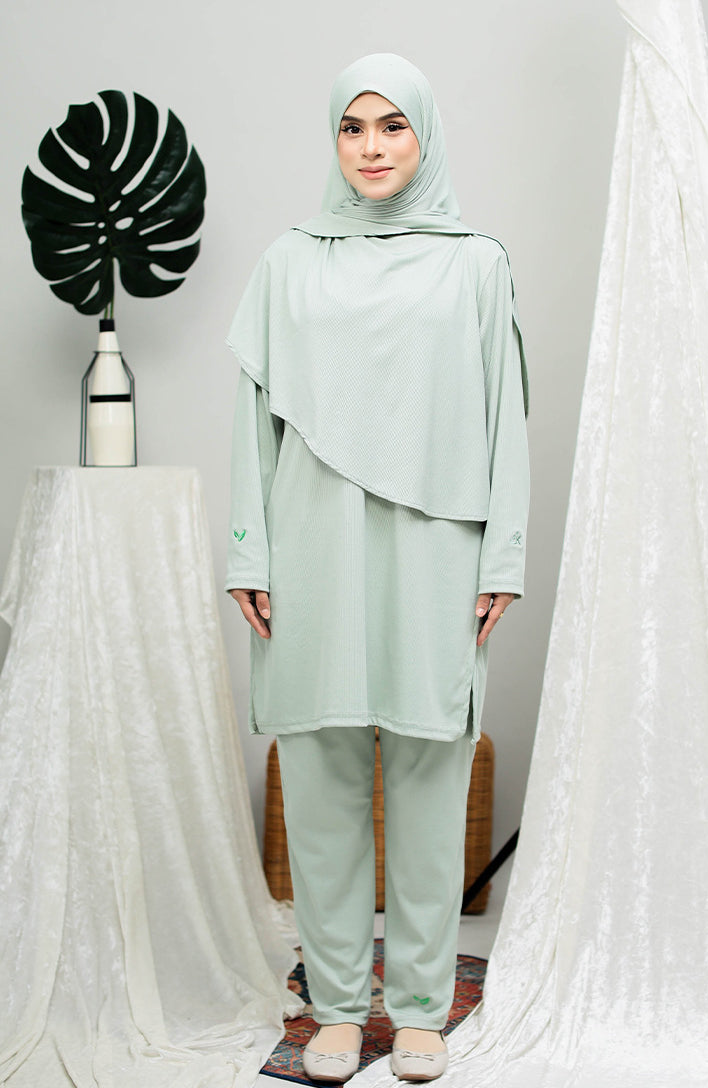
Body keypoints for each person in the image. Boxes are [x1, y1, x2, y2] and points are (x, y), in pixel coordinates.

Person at [225, 53, 529, 1084]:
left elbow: (505, 418)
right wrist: (248, 547)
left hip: (437, 547)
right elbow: (250, 420)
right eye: (352, 127)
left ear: (424, 135)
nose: (371, 147)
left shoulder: (476, 264)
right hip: (311, 546)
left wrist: (503, 554)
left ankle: (421, 1007)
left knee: (433, 781)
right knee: (318, 785)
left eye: (392, 125)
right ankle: (338, 1006)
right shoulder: (288, 263)